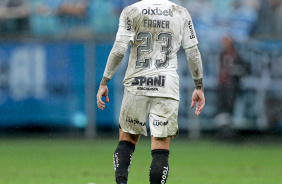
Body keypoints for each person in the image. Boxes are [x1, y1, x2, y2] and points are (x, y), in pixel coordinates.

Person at [96, 0, 205, 184]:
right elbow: (193, 53)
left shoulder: (131, 11)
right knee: (161, 147)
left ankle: (121, 182)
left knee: (127, 140)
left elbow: (119, 49)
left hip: (136, 84)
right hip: (166, 85)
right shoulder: (180, 12)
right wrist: (199, 86)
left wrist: (104, 81)